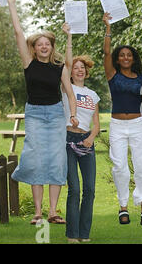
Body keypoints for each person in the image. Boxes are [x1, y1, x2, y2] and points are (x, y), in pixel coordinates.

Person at [6, 0, 79, 225]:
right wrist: (12, 5)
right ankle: (38, 213)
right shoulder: (28, 64)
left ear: (51, 47)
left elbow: (69, 93)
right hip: (36, 114)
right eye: (40, 44)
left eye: (48, 44)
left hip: (56, 115)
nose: (44, 47)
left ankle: (53, 212)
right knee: (37, 160)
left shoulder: (59, 67)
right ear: (34, 48)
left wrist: (74, 115)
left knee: (57, 160)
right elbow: (18, 32)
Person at [102, 12, 142, 226]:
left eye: (129, 55)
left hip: (136, 125)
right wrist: (108, 27)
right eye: (122, 55)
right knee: (119, 167)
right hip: (117, 125)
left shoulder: (141, 78)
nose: (125, 57)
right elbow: (106, 52)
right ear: (118, 58)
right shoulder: (111, 74)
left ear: (133, 59)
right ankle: (123, 206)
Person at [61, 24, 100, 243]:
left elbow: (96, 123)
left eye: (82, 67)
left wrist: (91, 138)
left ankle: (84, 235)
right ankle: (72, 235)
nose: (79, 70)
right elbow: (66, 63)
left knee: (90, 190)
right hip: (68, 140)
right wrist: (69, 37)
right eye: (75, 67)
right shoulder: (68, 88)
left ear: (86, 71)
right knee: (74, 189)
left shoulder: (92, 94)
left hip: (86, 142)